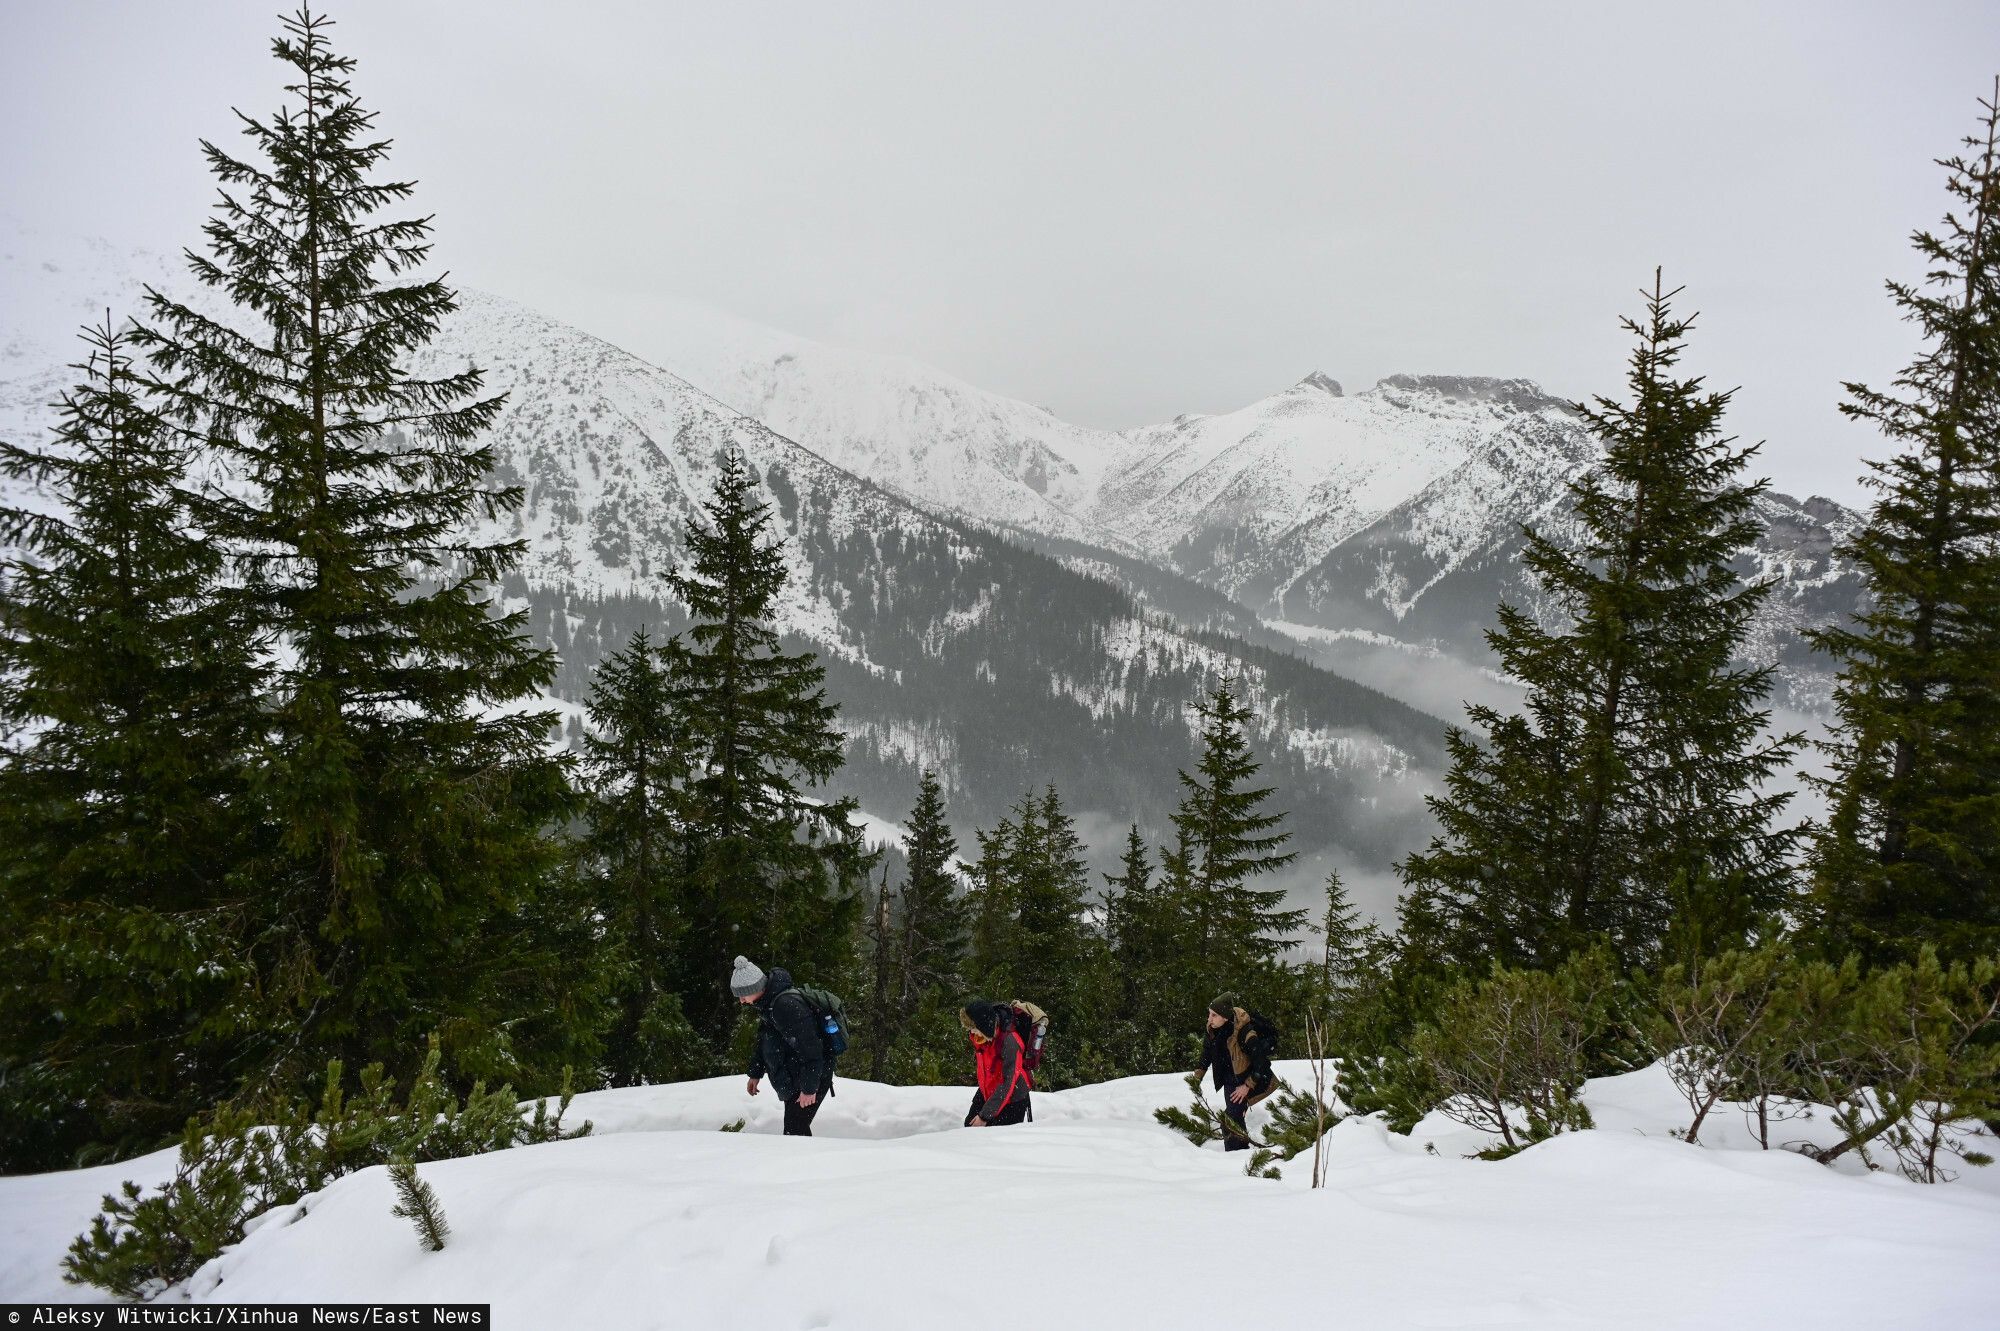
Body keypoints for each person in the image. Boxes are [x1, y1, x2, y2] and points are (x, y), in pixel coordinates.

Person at [733, 955, 834, 1137]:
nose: (741, 1001)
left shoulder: (785, 1006)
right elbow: (766, 1041)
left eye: (742, 995)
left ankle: (806, 1165)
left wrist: (809, 1088)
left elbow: (813, 1049)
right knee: (795, 1131)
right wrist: (756, 1073)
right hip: (796, 1076)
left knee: (795, 1132)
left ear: (755, 988)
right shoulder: (769, 1005)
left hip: (811, 1076)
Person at [1196, 994, 1278, 1151]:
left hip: (1246, 1079)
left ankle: (1236, 1155)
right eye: (1209, 1013)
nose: (1209, 1019)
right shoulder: (1213, 1029)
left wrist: (1248, 1085)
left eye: (1214, 1015)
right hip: (1228, 1079)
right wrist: (1199, 1072)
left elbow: (1261, 1063)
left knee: (1230, 1120)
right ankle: (1240, 1154)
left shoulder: (1245, 1033)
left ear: (1225, 1018)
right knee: (1234, 1117)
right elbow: (1207, 1051)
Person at [959, 999, 1032, 1128]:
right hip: (989, 1089)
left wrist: (984, 1116)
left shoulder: (1010, 1042)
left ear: (984, 1024)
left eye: (974, 1028)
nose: (972, 1032)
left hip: (1013, 1099)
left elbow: (1008, 1082)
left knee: (995, 1141)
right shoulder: (982, 1038)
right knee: (969, 1130)